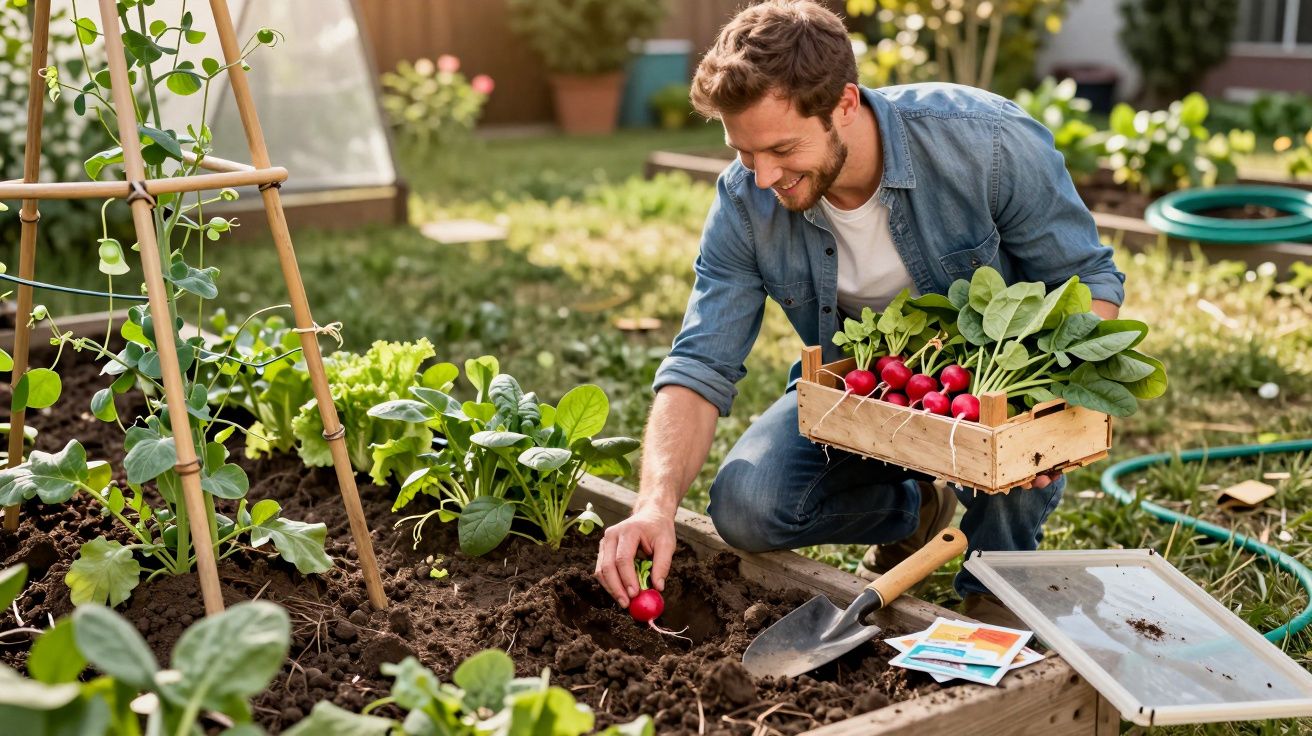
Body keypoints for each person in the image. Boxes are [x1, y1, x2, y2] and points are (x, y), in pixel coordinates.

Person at [593, 0, 1124, 628]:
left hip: (990, 393)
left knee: (999, 550)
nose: (762, 178)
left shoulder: (988, 144)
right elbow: (701, 361)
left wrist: (1050, 414)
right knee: (746, 506)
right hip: (865, 389)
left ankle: (995, 568)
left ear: (846, 103)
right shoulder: (744, 203)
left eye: (782, 148)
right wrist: (653, 504)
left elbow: (1086, 279)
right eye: (744, 153)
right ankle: (914, 508)